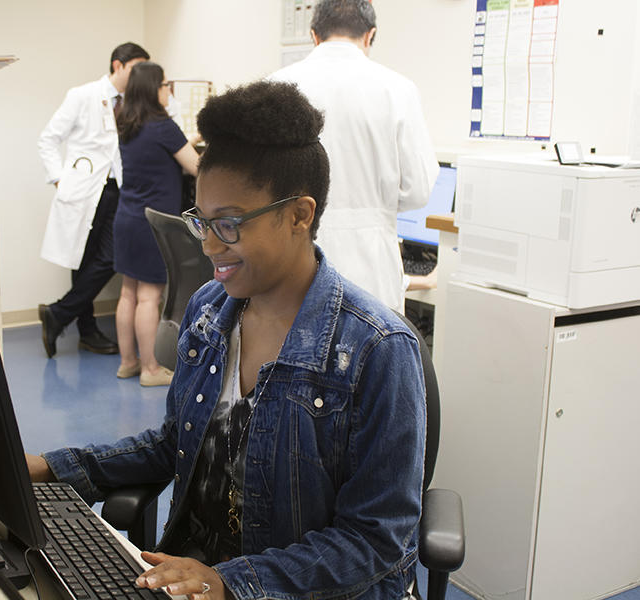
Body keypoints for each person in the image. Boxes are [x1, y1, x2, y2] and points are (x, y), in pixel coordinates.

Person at [27, 80, 426, 599]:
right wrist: (55, 468)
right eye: (201, 221)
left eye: (230, 224)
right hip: (196, 579)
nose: (210, 245)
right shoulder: (210, 312)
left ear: (299, 215)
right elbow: (176, 443)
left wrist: (233, 583)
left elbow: (376, 541)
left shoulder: (378, 349)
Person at [270, 0, 438, 313]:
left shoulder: (276, 85)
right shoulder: (398, 89)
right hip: (371, 271)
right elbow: (418, 191)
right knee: (371, 354)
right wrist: (375, 203)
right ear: (369, 35)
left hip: (291, 258)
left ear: (314, 36)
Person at [37, 42, 150, 358]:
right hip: (85, 190)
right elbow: (48, 139)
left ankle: (58, 313)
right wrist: (59, 180)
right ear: (118, 65)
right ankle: (87, 332)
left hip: (119, 191)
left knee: (111, 257)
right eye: (136, 68)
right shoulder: (82, 95)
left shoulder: (137, 104)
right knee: (83, 260)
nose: (140, 75)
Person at [113, 62, 200, 387]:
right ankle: (151, 369)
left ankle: (128, 363)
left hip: (127, 219)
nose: (169, 90)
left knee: (129, 294)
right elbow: (194, 166)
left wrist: (191, 137)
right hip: (152, 224)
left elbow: (161, 150)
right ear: (153, 89)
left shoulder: (128, 122)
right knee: (150, 297)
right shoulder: (164, 126)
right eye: (164, 84)